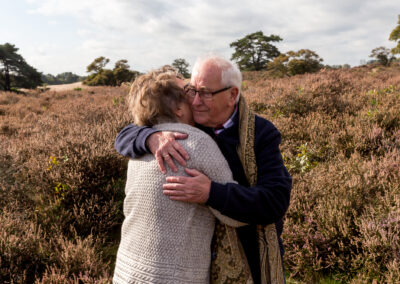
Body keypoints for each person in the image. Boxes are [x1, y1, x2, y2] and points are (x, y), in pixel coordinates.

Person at [114, 56, 292, 284]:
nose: (196, 101)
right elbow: (125, 134)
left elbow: (275, 201)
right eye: (191, 90)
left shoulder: (261, 133)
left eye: (206, 93)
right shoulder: (188, 125)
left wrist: (212, 193)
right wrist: (150, 137)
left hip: (249, 254)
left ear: (232, 95)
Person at [113, 66, 245, 284]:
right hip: (173, 277)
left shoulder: (138, 152)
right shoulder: (197, 143)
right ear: (178, 109)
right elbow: (236, 217)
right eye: (189, 93)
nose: (196, 98)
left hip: (127, 271)